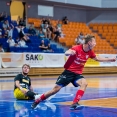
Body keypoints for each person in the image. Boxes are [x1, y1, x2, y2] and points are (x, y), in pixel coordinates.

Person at [31, 34, 116, 109]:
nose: (95, 43)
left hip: (77, 74)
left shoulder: (90, 52)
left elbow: (97, 58)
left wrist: (110, 59)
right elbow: (67, 52)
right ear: (89, 43)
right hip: (68, 73)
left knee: (84, 83)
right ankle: (38, 100)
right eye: (94, 42)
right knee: (55, 90)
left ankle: (75, 103)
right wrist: (69, 53)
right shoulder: (77, 48)